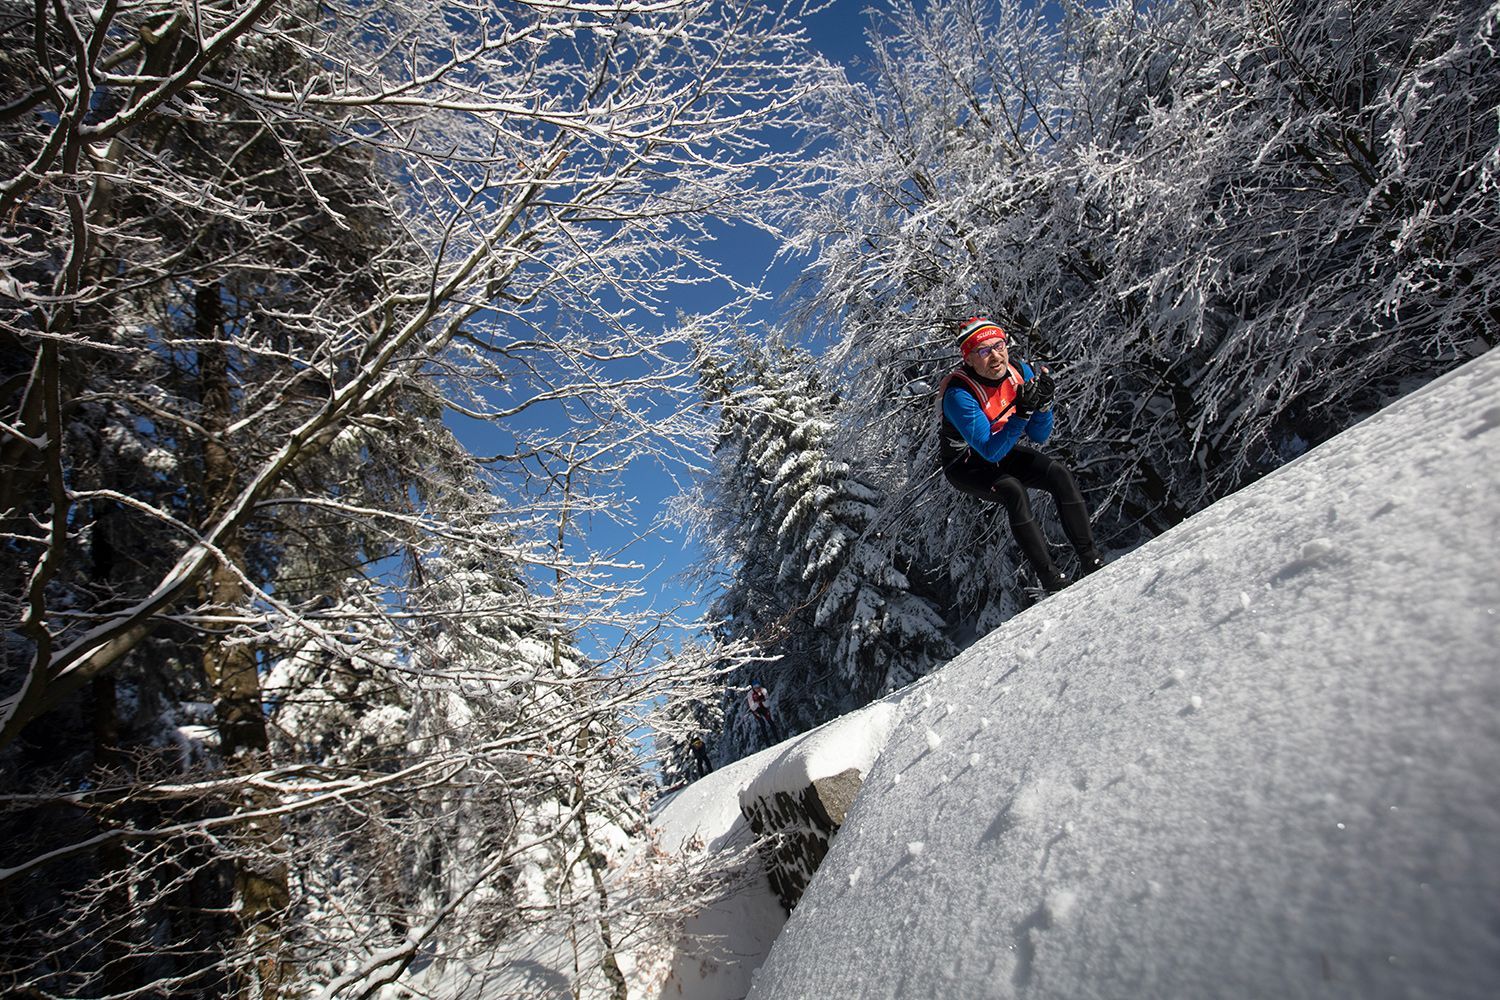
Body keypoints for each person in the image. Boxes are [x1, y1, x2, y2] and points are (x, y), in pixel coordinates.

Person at [938, 316, 1105, 594]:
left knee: (1058, 473)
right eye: (983, 351)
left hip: (1002, 448)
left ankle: (1092, 559)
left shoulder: (1019, 372)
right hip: (967, 465)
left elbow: (1040, 436)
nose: (995, 356)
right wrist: (1023, 414)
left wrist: (1044, 406)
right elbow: (990, 452)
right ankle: (1051, 579)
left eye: (999, 345)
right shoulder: (959, 394)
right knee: (1013, 491)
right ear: (968, 359)